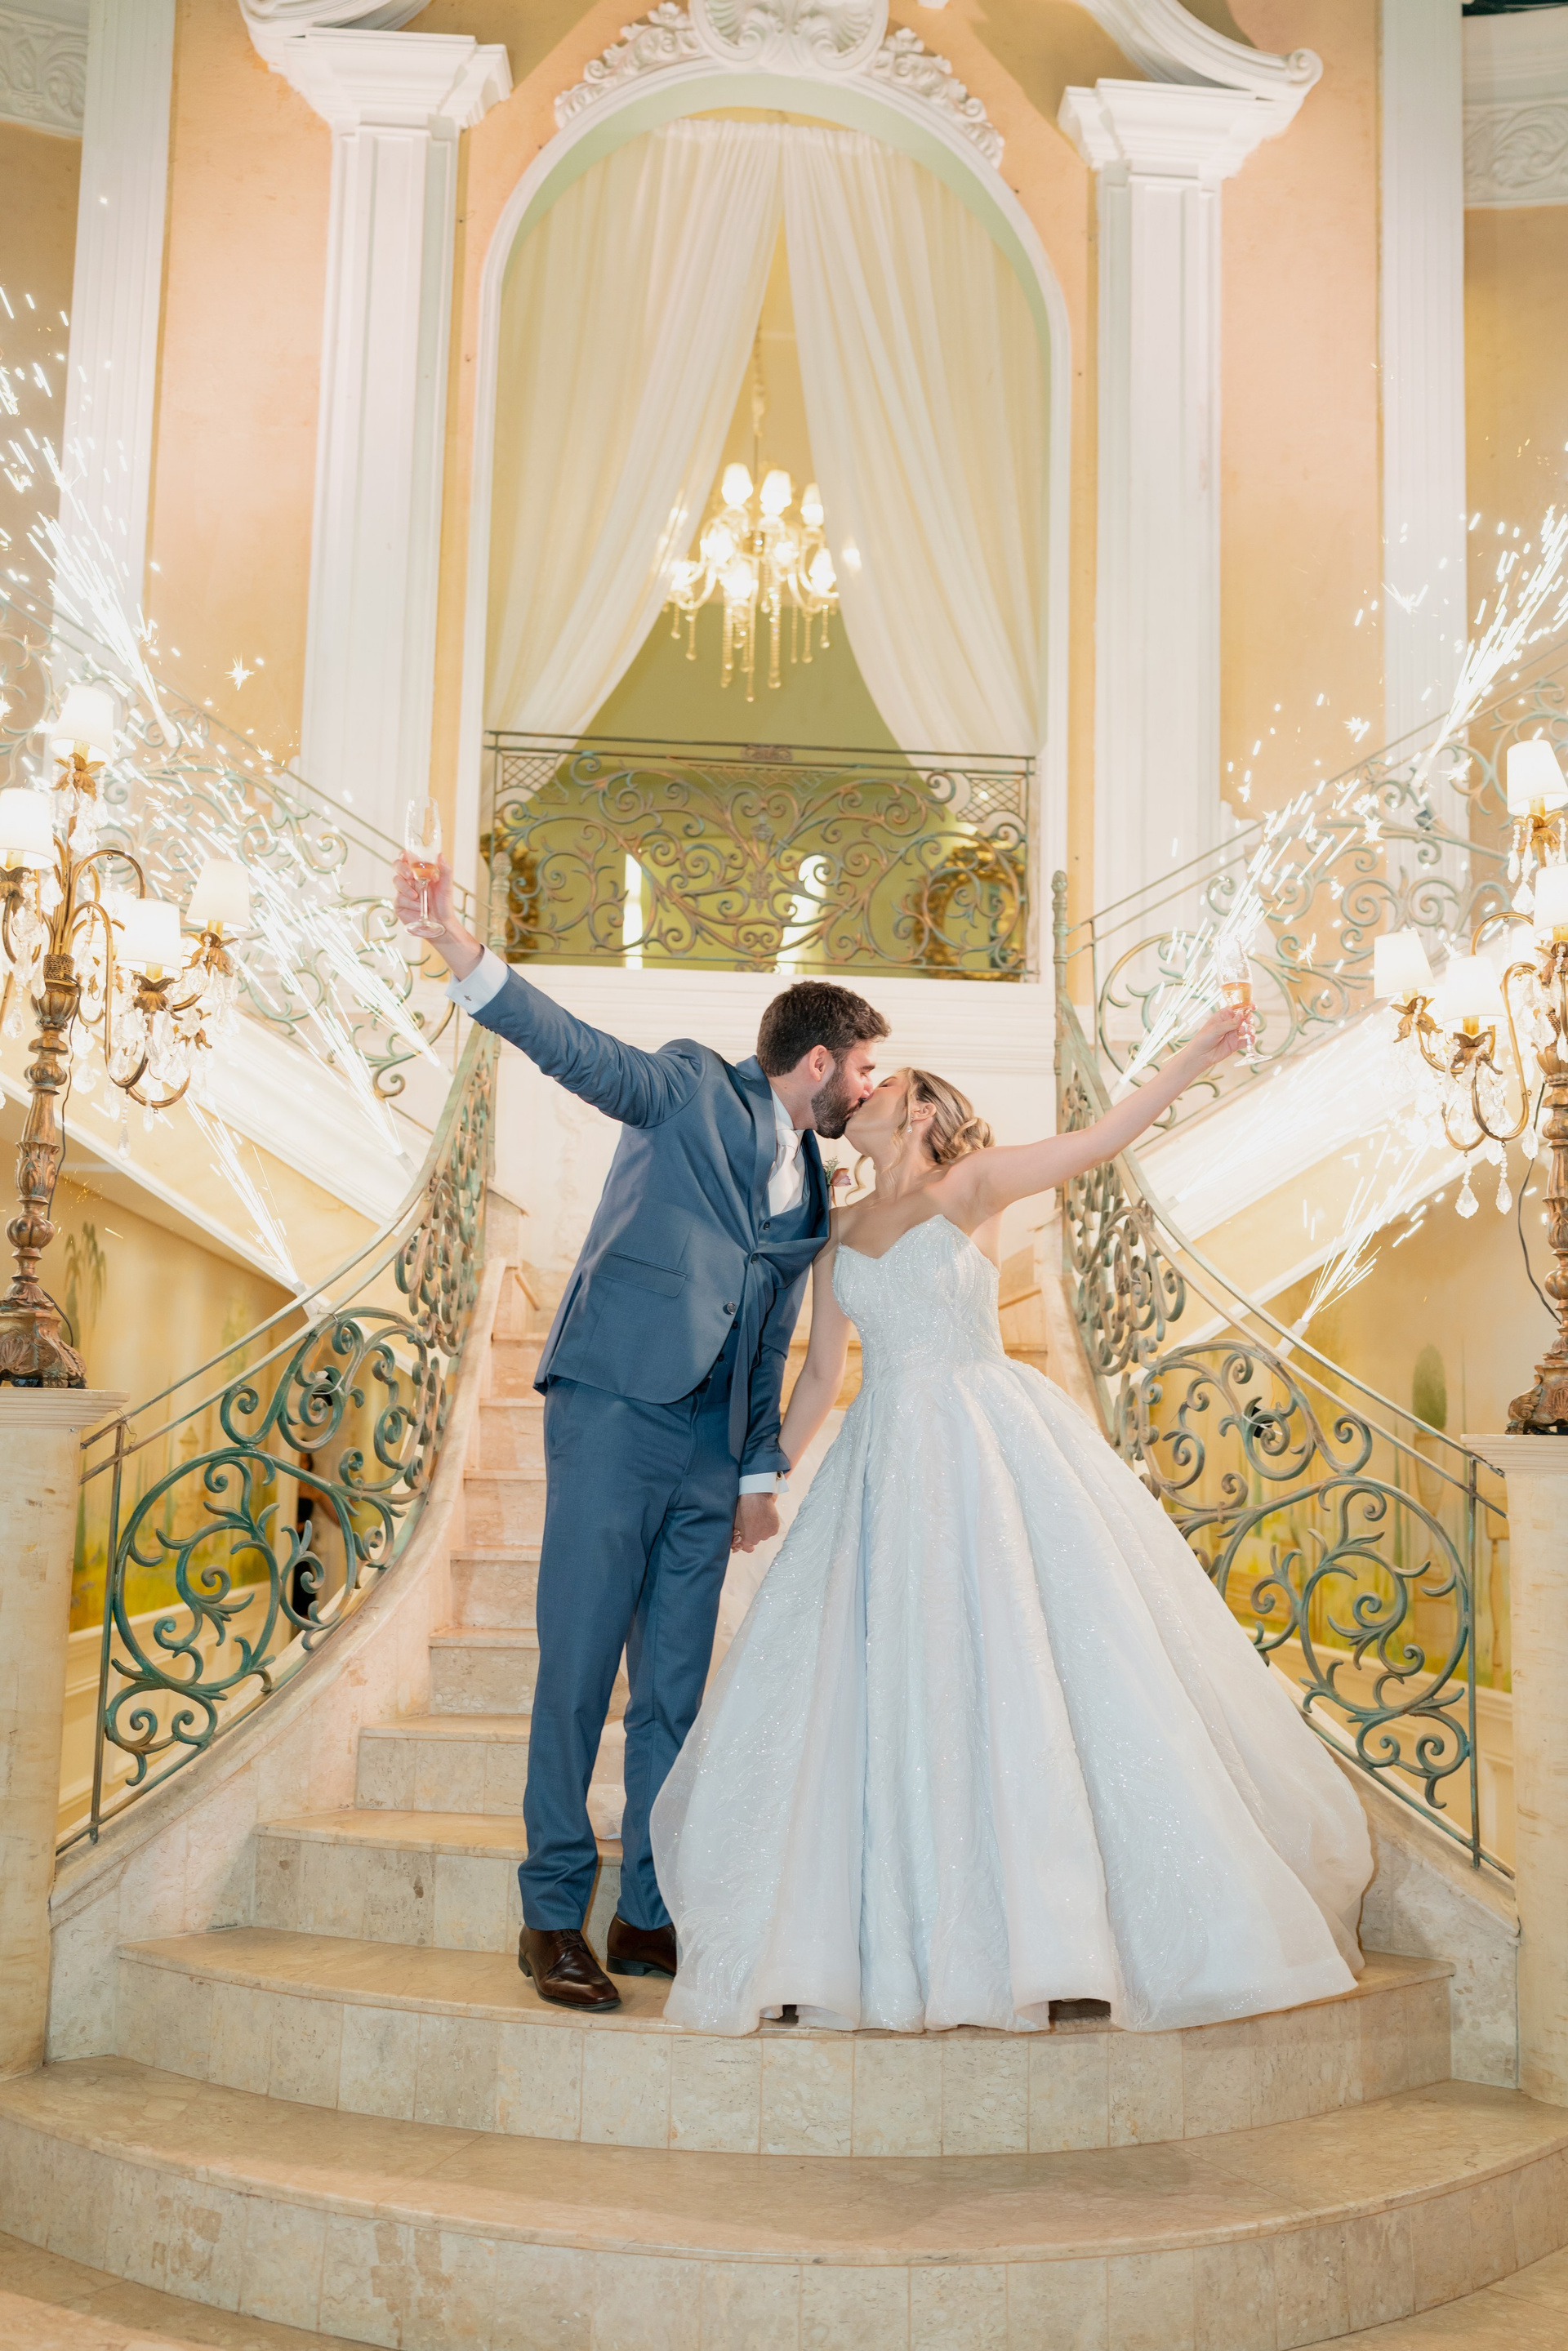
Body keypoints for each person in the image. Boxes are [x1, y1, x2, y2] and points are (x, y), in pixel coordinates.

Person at [651, 1021, 1374, 2036]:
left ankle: (1054, 1935)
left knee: (1022, 1661)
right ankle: (869, 1939)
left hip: (982, 1443)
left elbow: (1100, 1139)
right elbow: (819, 1374)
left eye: (883, 1081)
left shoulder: (974, 1183)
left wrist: (1192, 1059)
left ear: (923, 1109)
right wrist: (761, 1482)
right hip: (881, 1457)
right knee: (883, 1679)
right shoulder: (838, 1226)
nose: (862, 1090)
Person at [392, 853, 888, 2012]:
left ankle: (647, 1910)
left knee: (674, 1691)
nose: (869, 1089)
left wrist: (759, 1469)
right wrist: (460, 949)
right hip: (616, 1408)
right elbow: (574, 1048)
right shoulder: (689, 1086)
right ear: (819, 1060)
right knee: (576, 1669)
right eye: (865, 1067)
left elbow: (770, 1338)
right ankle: (550, 1915)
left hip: (714, 1451)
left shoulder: (816, 1188)